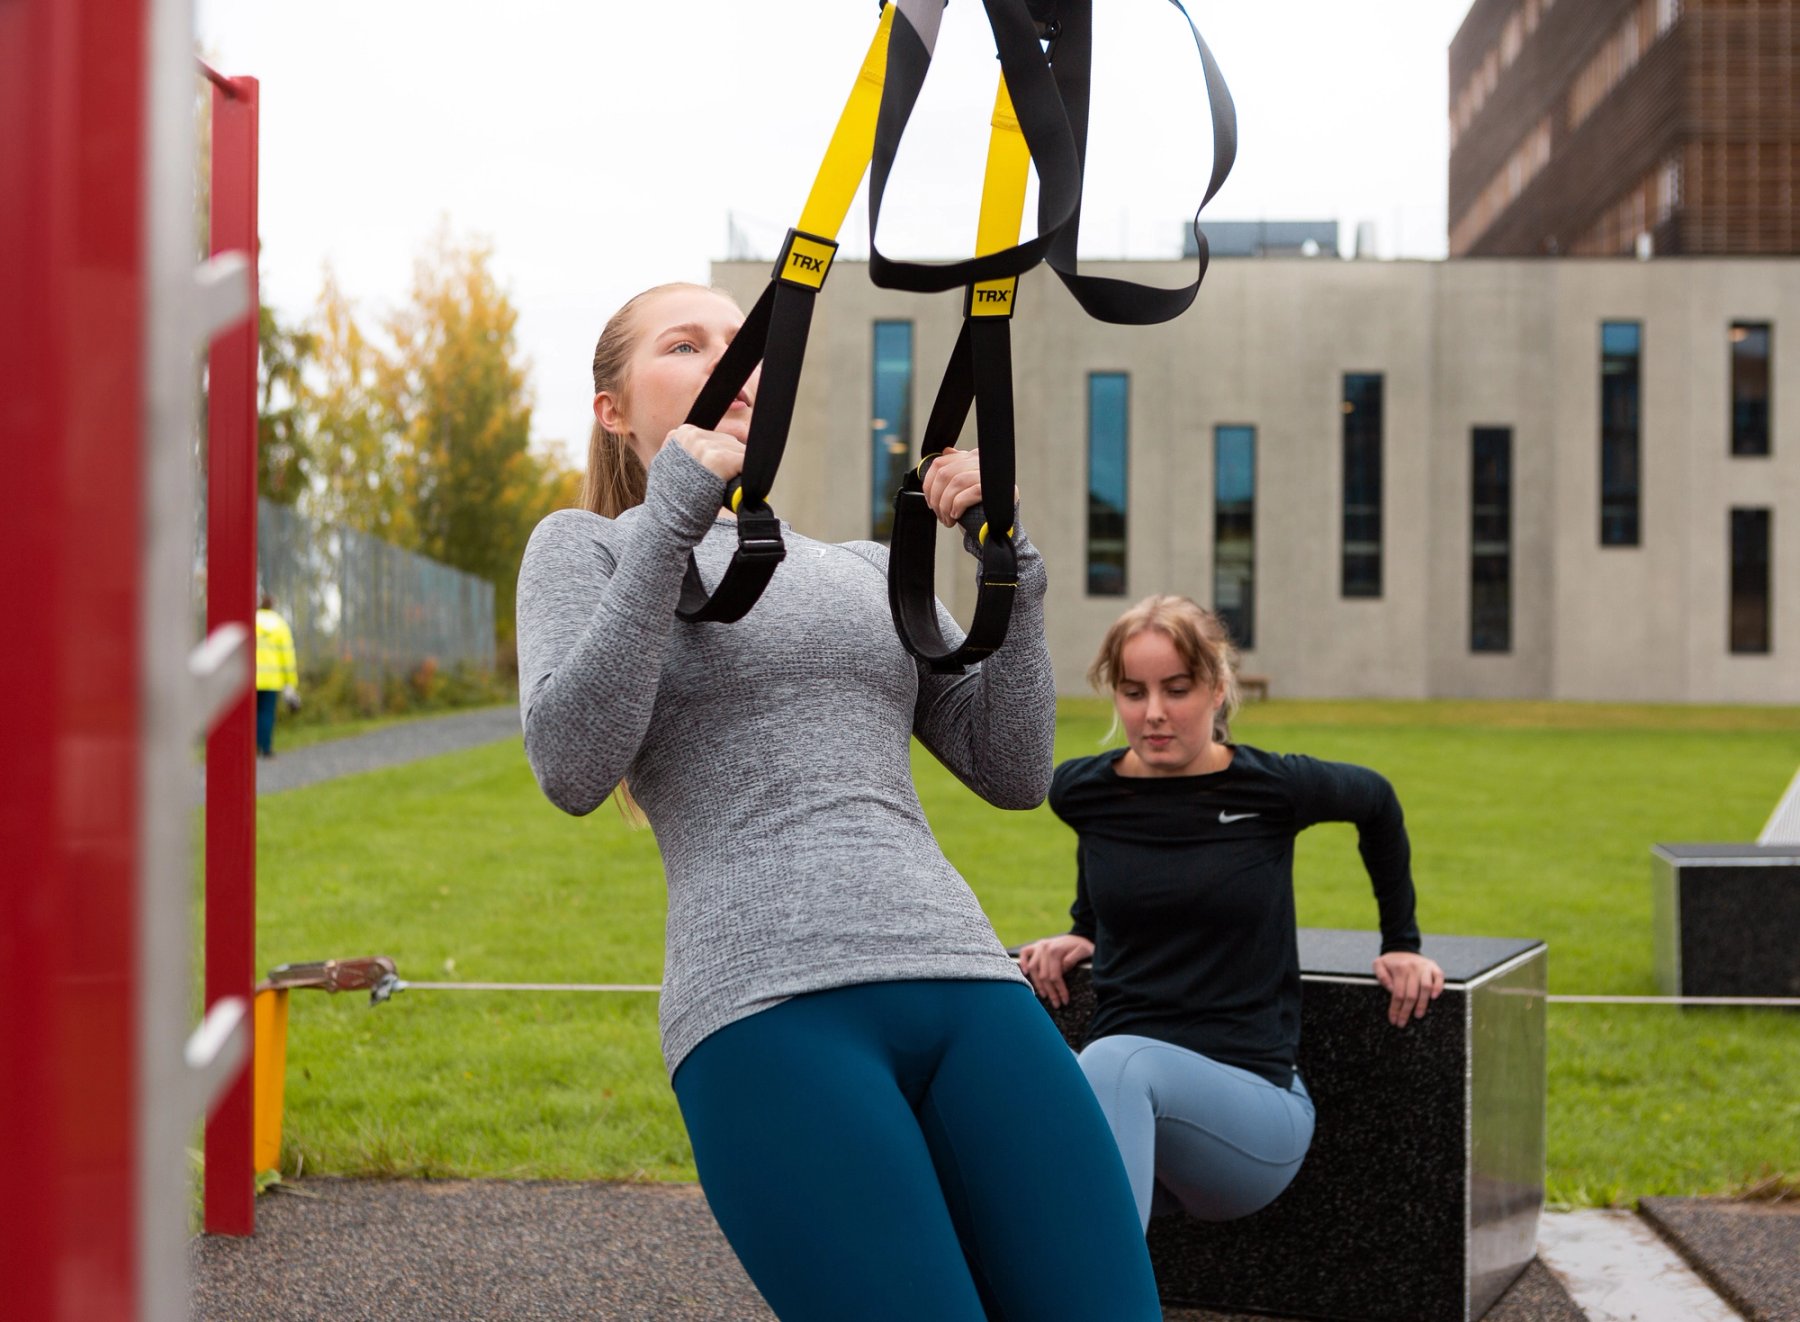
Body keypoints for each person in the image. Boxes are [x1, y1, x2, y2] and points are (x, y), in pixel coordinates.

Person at [514, 283, 1160, 1321]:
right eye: (688, 345)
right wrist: (672, 514)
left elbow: (1012, 768)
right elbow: (572, 763)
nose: (731, 364)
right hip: (769, 1009)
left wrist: (1014, 578)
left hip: (965, 977)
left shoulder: (868, 568)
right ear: (613, 411)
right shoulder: (582, 548)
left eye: (744, 345)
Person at [1019, 594, 1446, 1232]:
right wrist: (1084, 931)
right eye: (1134, 692)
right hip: (1132, 1118)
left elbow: (1377, 802)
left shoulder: (1270, 788)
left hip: (1252, 1117)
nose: (1154, 714)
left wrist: (1402, 940)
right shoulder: (1083, 791)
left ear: (1218, 689)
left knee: (1110, 1062)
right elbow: (1108, 853)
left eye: (1177, 689)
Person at [254, 592, 300, 758]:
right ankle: (265, 747)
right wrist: (291, 683)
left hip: (251, 677)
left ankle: (252, 747)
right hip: (273, 679)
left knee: (251, 713)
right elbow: (287, 656)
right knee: (266, 713)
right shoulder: (280, 625)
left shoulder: (250, 621)